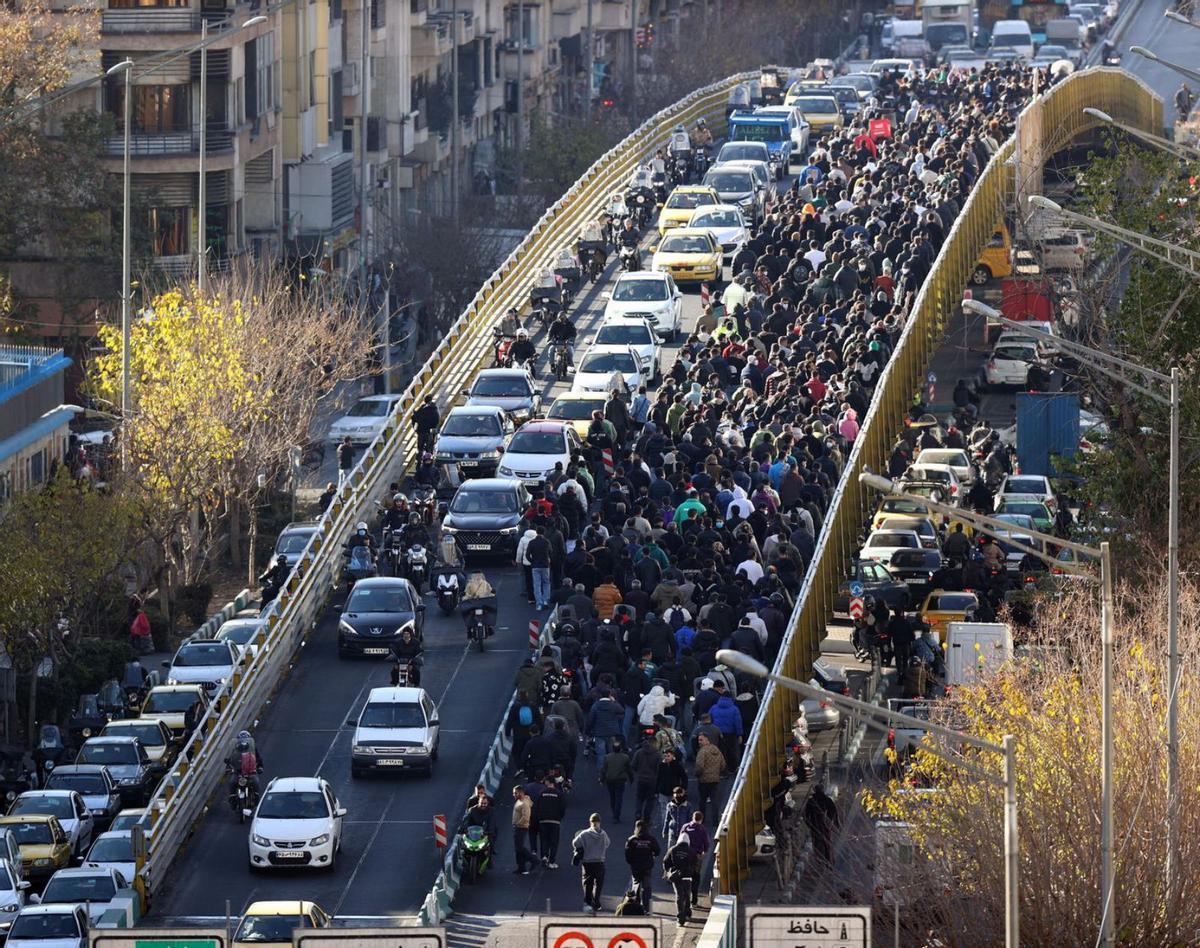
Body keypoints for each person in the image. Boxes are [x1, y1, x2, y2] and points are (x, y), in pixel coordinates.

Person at [571, 813, 611, 915]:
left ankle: (588, 903)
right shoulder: (603, 834)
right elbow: (608, 844)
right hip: (600, 862)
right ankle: (596, 901)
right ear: (599, 822)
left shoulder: (584, 834)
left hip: (587, 862)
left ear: (590, 822)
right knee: (598, 883)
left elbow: (575, 843)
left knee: (587, 884)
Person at [623, 819, 660, 913]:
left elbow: (627, 855)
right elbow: (657, 851)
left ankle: (636, 906)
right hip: (647, 867)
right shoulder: (651, 839)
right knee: (646, 888)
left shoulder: (631, 840)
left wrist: (632, 863)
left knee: (636, 886)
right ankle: (647, 909)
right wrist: (652, 856)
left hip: (636, 868)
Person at [663, 833, 697, 925]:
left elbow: (666, 862)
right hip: (687, 876)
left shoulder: (672, 849)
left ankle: (680, 916)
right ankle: (687, 913)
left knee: (679, 896)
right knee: (687, 895)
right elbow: (695, 864)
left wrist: (668, 872)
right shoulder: (691, 851)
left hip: (676, 877)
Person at [599, 737, 633, 822]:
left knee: (612, 797)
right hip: (620, 780)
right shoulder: (625, 757)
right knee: (619, 797)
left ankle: (614, 812)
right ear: (621, 748)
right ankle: (616, 815)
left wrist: (602, 780)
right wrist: (631, 779)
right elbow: (629, 769)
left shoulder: (607, 757)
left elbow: (604, 770)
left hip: (610, 780)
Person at [803, 783, 839, 863]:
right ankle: (828, 859)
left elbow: (805, 814)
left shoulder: (811, 800)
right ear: (823, 790)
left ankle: (818, 859)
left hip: (814, 824)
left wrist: (809, 824)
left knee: (816, 842)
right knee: (827, 842)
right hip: (824, 825)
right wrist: (834, 824)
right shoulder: (827, 800)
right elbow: (834, 813)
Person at [537, 773, 566, 868]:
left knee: (544, 839)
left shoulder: (542, 792)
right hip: (555, 821)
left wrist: (540, 817)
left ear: (548, 782)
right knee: (554, 841)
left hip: (543, 820)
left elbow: (537, 806)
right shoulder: (559, 793)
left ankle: (544, 856)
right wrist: (559, 817)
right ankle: (551, 861)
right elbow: (562, 807)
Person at [512, 785, 535, 874]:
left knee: (520, 848)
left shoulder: (524, 803)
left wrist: (518, 824)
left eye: (515, 793)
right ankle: (521, 867)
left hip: (521, 827)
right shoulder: (521, 800)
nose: (514, 794)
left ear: (521, 793)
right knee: (518, 849)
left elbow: (526, 817)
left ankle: (534, 860)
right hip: (518, 827)